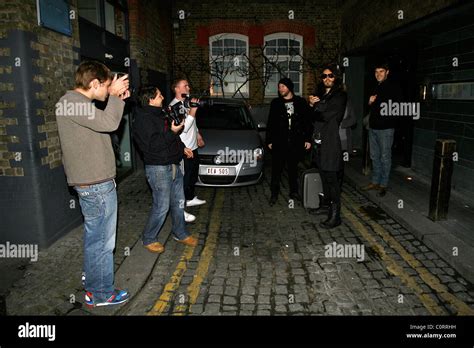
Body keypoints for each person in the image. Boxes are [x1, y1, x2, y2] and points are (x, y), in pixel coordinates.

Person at [56, 60, 130, 307]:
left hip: (92, 184)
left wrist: (114, 97)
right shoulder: (72, 104)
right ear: (94, 83)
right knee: (102, 243)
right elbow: (109, 124)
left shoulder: (75, 104)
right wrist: (116, 97)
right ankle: (101, 294)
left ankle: (92, 287)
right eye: (106, 86)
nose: (107, 90)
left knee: (94, 239)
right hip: (95, 186)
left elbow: (101, 123)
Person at [132, 86, 198, 252]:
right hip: (158, 168)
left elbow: (171, 137)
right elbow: (153, 145)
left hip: (174, 164)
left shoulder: (160, 113)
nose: (162, 97)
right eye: (159, 95)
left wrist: (182, 147)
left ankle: (180, 233)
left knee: (178, 203)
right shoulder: (143, 119)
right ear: (150, 99)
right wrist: (173, 132)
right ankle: (148, 238)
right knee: (162, 206)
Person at [309, 65, 347, 229]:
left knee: (332, 181)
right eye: (324, 76)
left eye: (330, 75)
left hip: (330, 144)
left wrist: (314, 107)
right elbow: (310, 117)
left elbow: (326, 115)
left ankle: (336, 215)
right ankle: (325, 206)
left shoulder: (340, 96)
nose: (327, 78)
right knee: (323, 177)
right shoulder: (320, 95)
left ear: (336, 77)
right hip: (318, 143)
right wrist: (311, 105)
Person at [266, 77, 312, 206]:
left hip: (295, 142)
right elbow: (271, 123)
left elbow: (307, 122)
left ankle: (294, 192)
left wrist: (307, 139)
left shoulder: (300, 102)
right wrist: (269, 140)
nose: (281, 89)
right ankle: (274, 194)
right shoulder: (276, 103)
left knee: (293, 169)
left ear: (289, 88)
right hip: (279, 142)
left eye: (283, 87)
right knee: (276, 170)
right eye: (279, 87)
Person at [363, 62, 402, 197]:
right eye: (376, 72)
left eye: (381, 71)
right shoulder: (376, 86)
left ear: (387, 72)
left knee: (385, 157)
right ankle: (375, 181)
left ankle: (383, 184)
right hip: (373, 127)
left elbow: (395, 107)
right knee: (374, 156)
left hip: (385, 129)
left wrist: (376, 103)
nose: (378, 74)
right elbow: (372, 106)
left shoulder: (392, 87)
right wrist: (370, 102)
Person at [170, 79, 206, 222]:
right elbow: (182, 129)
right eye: (185, 85)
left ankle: (190, 199)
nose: (188, 87)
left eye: (188, 85)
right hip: (183, 149)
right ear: (176, 89)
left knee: (192, 175)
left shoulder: (186, 103)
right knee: (182, 180)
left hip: (193, 147)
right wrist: (193, 112)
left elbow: (192, 123)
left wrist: (197, 134)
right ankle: (181, 210)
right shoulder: (174, 106)